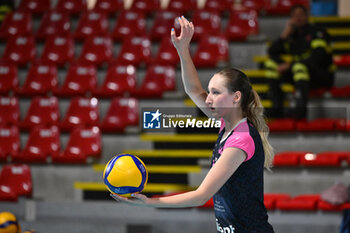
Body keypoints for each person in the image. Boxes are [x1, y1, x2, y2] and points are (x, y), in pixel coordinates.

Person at [111, 16, 275, 233]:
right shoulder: (225, 125)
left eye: (216, 93)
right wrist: (182, 50)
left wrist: (149, 202)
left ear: (236, 97)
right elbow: (193, 90)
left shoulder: (241, 139)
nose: (208, 99)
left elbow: (201, 195)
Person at [264, 4, 334, 119]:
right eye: (294, 15)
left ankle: (300, 111)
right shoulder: (292, 35)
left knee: (299, 67)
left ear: (307, 16)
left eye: (301, 14)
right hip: (301, 74)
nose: (298, 18)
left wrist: (290, 65)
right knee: (271, 65)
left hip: (321, 74)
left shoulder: (317, 32)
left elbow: (318, 57)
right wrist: (285, 33)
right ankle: (277, 107)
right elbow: (272, 51)